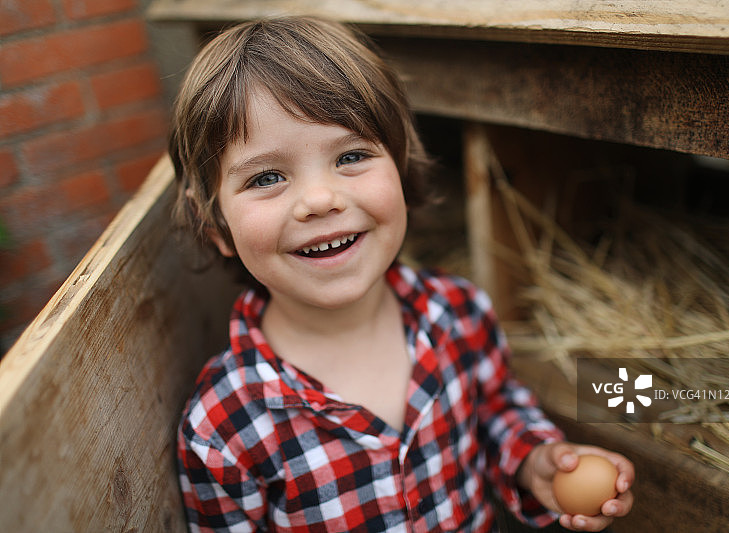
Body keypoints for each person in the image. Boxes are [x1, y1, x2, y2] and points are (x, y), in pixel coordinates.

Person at [171, 16, 634, 533]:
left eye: (351, 155)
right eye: (267, 177)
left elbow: (496, 410)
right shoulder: (224, 425)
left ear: (402, 166)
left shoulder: (457, 312)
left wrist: (534, 461)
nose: (321, 200)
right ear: (214, 224)